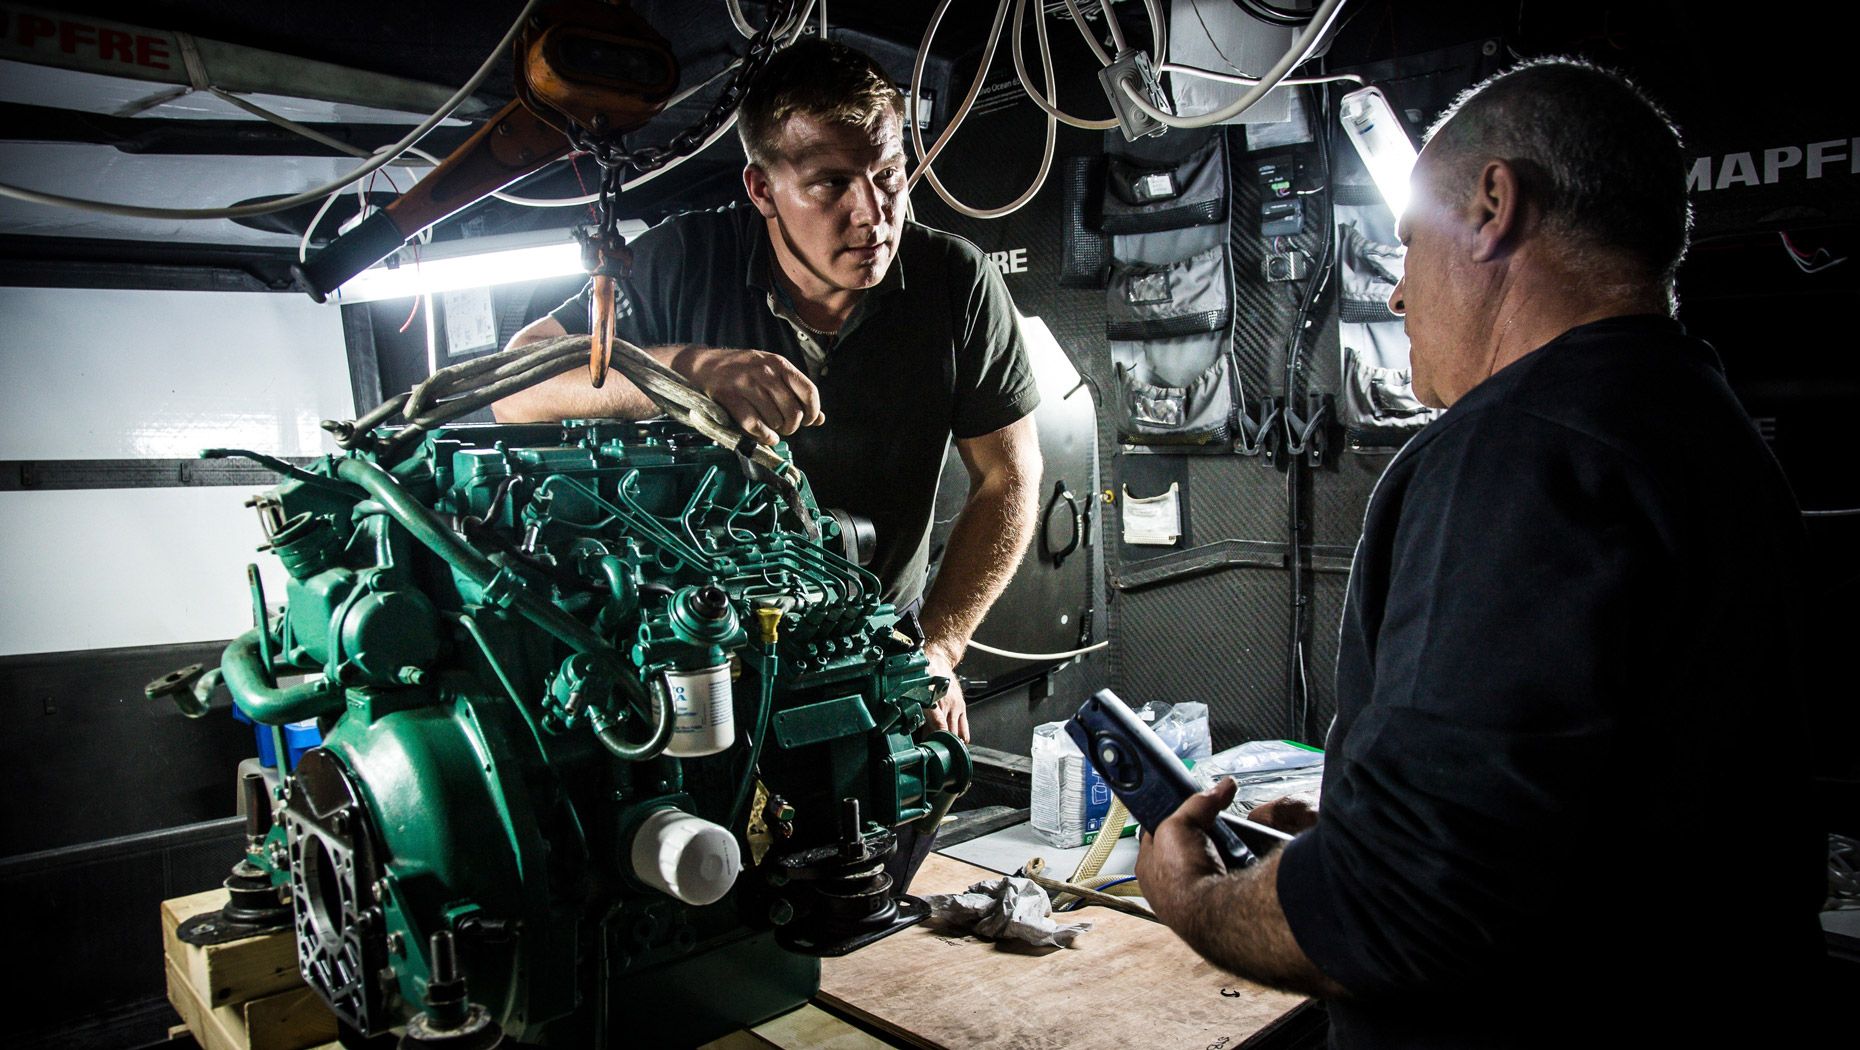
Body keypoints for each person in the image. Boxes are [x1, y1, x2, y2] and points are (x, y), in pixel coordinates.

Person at [1134, 57, 1825, 1046]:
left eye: (1407, 244)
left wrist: (1190, 890)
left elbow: (1395, 920)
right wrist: (1356, 845)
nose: (1402, 293)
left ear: (1495, 204)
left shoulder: (1516, 451)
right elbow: (1596, 821)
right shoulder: (1700, 425)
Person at [493, 39, 1042, 751]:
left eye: (889, 176)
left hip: (880, 654)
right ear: (761, 189)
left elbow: (1009, 478)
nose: (872, 215)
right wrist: (684, 368)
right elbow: (518, 383)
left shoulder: (954, 282)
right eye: (830, 184)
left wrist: (938, 646)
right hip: (705, 660)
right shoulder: (680, 264)